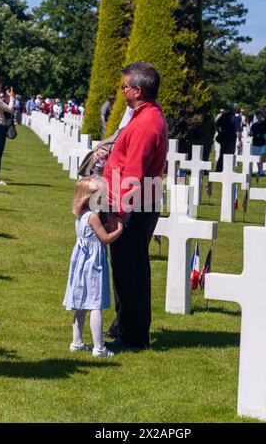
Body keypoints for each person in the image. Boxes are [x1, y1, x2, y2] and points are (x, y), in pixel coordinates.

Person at [102, 62, 168, 350]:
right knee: (126, 267)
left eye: (125, 86)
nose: (122, 90)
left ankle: (133, 336)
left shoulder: (145, 124)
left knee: (131, 270)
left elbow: (134, 173)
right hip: (135, 202)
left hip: (133, 205)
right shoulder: (144, 116)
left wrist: (118, 213)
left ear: (138, 91)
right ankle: (124, 323)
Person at [63, 176, 123, 358]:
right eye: (99, 197)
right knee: (95, 304)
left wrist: (104, 226)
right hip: (93, 265)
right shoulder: (93, 216)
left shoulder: (81, 216)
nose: (102, 200)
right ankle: (99, 347)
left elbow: (92, 233)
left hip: (81, 263)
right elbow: (104, 239)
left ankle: (77, 342)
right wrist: (119, 228)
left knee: (81, 305)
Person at [0, 78, 15, 185]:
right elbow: (10, 109)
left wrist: (6, 99)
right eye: (0, 87)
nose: (0, 89)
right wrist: (12, 98)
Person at [215, 103, 242, 172]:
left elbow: (216, 125)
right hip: (231, 140)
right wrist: (240, 141)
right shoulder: (235, 119)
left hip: (223, 138)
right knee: (230, 155)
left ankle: (219, 170)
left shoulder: (223, 116)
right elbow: (237, 131)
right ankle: (228, 171)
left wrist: (219, 132)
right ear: (235, 110)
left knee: (222, 155)